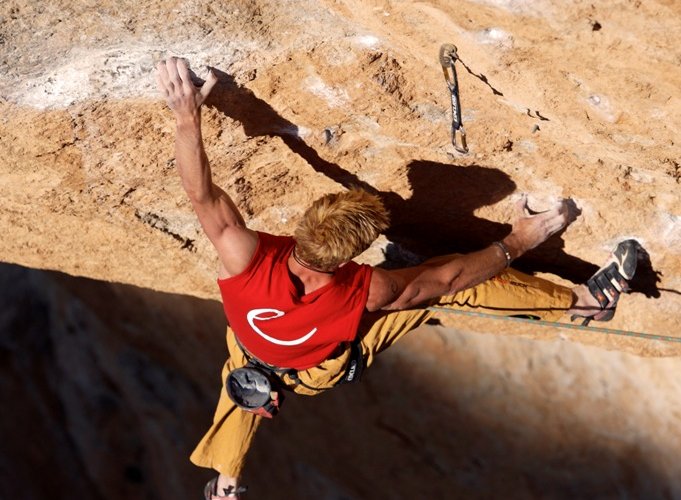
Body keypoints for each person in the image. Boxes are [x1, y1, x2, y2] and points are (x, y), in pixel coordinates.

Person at [155, 57, 638, 499]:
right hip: (319, 367)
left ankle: (225, 484)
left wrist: (185, 115)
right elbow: (448, 279)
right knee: (434, 293)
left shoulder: (243, 257)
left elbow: (202, 196)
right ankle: (582, 302)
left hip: (252, 347)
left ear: (304, 228)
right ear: (352, 256)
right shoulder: (369, 293)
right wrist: (518, 241)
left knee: (242, 381)